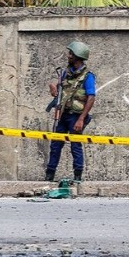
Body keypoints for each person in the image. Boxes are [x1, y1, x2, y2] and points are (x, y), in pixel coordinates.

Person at [45, 41, 96, 182]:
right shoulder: (65, 72)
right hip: (62, 114)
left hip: (76, 116)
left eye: (71, 54)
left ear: (77, 56)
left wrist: (81, 119)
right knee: (55, 145)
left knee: (75, 145)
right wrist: (53, 86)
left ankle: (78, 176)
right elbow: (57, 83)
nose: (68, 56)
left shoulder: (88, 76)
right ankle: (49, 175)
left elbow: (91, 98)